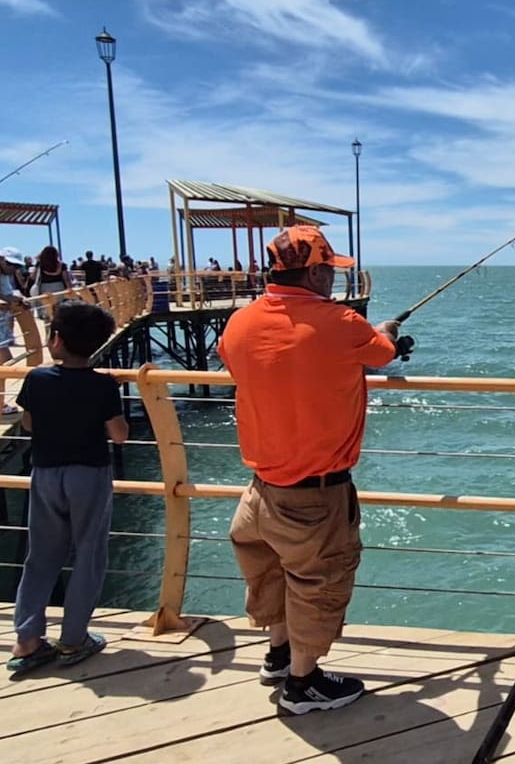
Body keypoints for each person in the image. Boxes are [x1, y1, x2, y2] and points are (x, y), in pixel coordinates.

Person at [218, 225, 399, 715]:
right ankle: (303, 685)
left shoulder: (239, 322)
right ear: (316, 273)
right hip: (316, 494)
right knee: (319, 583)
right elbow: (383, 353)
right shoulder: (341, 322)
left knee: (272, 573)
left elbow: (238, 360)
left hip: (261, 489)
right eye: (330, 270)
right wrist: (384, 331)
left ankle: (278, 656)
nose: (333, 279)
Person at [7, 301, 127, 674]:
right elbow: (119, 435)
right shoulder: (102, 385)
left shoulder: (37, 379)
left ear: (56, 339)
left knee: (41, 556)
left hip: (46, 473)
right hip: (89, 474)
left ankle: (27, 639)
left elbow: (28, 424)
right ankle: (74, 638)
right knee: (89, 553)